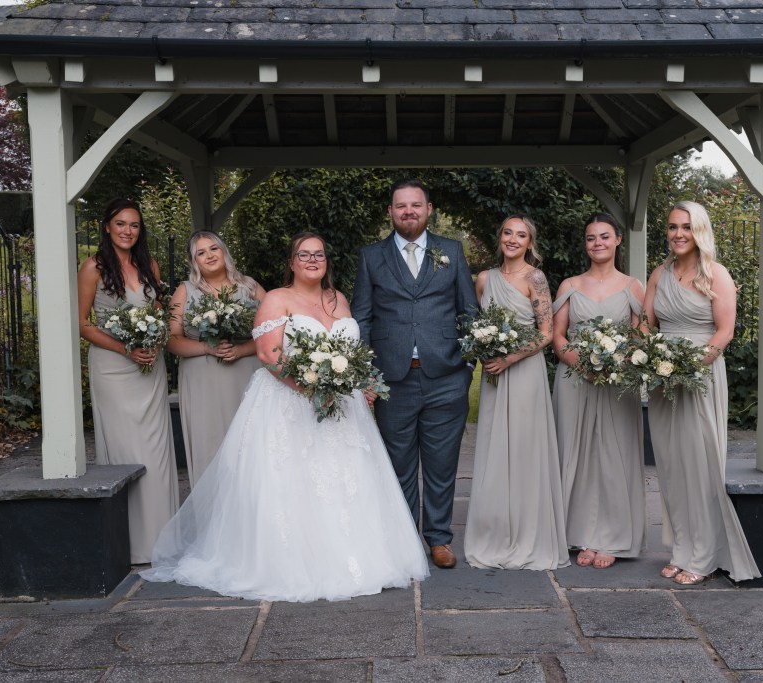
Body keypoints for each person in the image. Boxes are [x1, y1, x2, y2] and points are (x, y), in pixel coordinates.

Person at [142, 233, 428, 601]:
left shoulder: (338, 299)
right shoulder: (276, 299)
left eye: (319, 254)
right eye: (303, 255)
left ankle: (353, 556)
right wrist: (312, 389)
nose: (312, 260)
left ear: (327, 261)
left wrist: (354, 383)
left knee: (346, 480)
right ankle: (298, 562)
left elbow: (351, 351)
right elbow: (268, 354)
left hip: (342, 407)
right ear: (291, 262)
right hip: (291, 404)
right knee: (295, 482)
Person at [351, 179, 478, 569]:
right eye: (400, 206)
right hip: (393, 378)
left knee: (442, 464)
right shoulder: (372, 256)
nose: (408, 211)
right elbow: (363, 317)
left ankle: (439, 539)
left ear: (428, 209)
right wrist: (368, 374)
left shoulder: (451, 251)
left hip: (446, 374)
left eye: (415, 205)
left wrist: (467, 364)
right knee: (399, 464)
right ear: (390, 212)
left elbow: (468, 311)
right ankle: (404, 540)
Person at [642, 200, 760, 585]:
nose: (678, 234)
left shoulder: (716, 274)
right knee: (672, 466)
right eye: (673, 227)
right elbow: (646, 325)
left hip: (699, 377)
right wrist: (650, 359)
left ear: (700, 232)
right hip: (663, 379)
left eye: (686, 227)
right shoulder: (659, 274)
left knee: (700, 464)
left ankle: (705, 556)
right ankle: (680, 549)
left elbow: (724, 332)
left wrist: (690, 368)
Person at [464, 216, 569, 570]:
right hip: (495, 376)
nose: (512, 239)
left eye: (520, 235)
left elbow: (545, 332)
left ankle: (528, 533)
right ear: (500, 236)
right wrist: (487, 350)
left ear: (529, 242)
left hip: (524, 372)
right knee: (495, 447)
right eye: (507, 232)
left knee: (524, 449)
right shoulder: (484, 279)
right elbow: (477, 325)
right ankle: (494, 531)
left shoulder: (535, 278)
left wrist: (510, 357)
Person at [76, 198, 178, 565]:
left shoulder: (148, 264)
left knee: (156, 450)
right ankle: (132, 544)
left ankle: (162, 540)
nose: (127, 231)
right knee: (126, 448)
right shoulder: (93, 268)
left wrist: (154, 337)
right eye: (120, 223)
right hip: (115, 367)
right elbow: (82, 323)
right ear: (107, 226)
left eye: (134, 225)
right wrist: (125, 348)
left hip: (150, 366)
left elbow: (157, 312)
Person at [551, 214, 646, 569]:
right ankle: (580, 535)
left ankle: (613, 538)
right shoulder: (569, 285)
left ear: (618, 240)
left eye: (604, 237)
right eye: (591, 238)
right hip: (574, 380)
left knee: (614, 456)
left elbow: (640, 338)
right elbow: (557, 336)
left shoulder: (634, 287)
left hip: (618, 381)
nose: (598, 244)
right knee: (575, 452)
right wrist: (582, 363)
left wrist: (614, 363)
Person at [167, 231, 266, 487]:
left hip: (245, 376)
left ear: (224, 252)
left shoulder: (250, 287)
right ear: (194, 262)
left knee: (248, 447)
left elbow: (275, 333)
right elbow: (172, 339)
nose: (209, 256)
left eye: (214, 249)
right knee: (209, 444)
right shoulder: (185, 291)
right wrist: (208, 348)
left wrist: (242, 350)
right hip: (203, 381)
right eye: (201, 252)